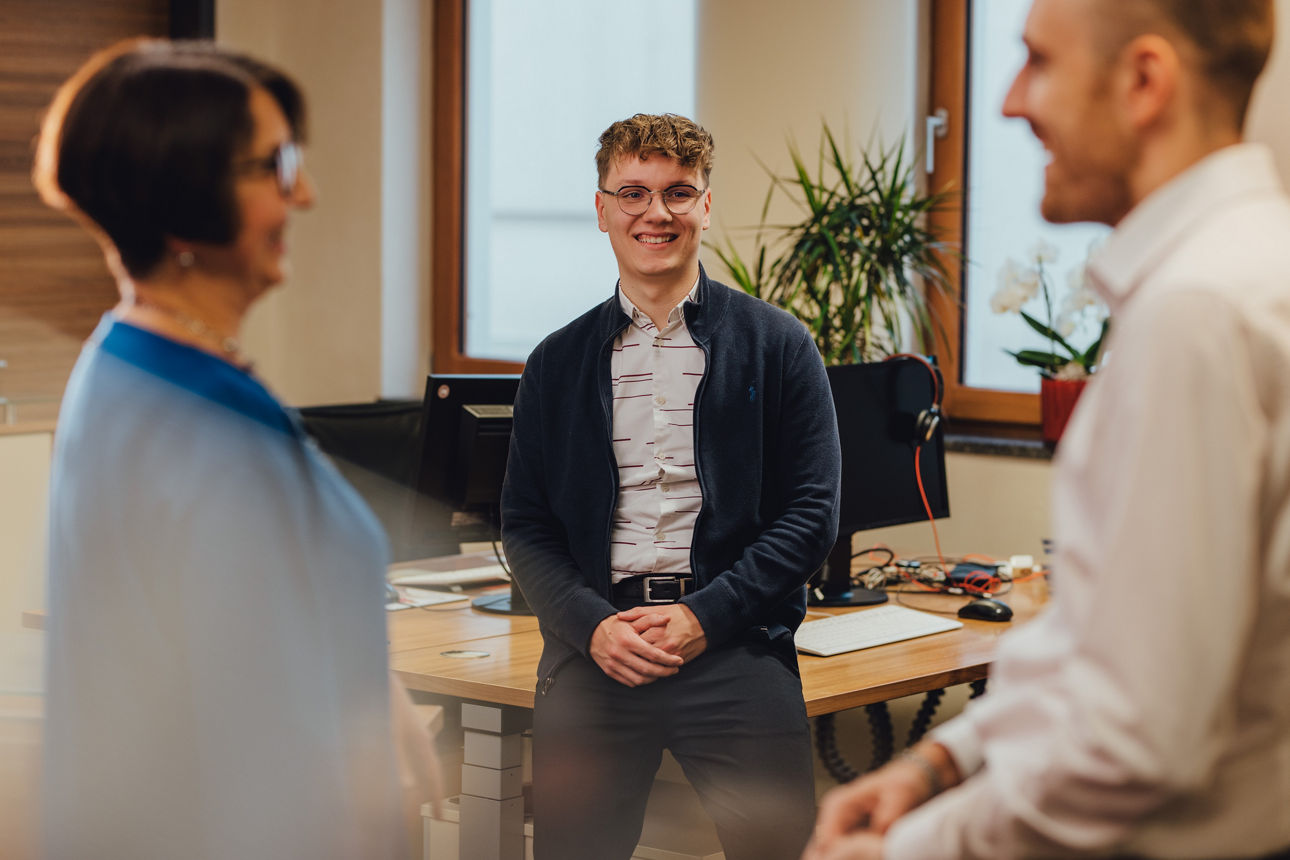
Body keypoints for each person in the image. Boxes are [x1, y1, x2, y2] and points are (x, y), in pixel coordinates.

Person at [804, 1, 1290, 858]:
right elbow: (1103, 630)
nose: (1008, 103)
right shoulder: (1247, 269)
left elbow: (1132, 744)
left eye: (1037, 61)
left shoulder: (1197, 317)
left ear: (1145, 81)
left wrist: (909, 849)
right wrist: (941, 762)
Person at [34, 39, 436, 859]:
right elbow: (257, 754)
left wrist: (367, 684)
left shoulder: (132, 365)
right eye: (277, 167)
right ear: (187, 198)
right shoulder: (205, 429)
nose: (307, 195)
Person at [500, 113, 841, 860]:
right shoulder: (556, 362)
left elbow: (811, 515)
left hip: (732, 647)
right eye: (633, 192)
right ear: (601, 210)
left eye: (678, 193)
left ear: (706, 207)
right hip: (597, 649)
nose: (655, 213)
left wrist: (701, 618)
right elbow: (524, 525)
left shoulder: (779, 346)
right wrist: (590, 625)